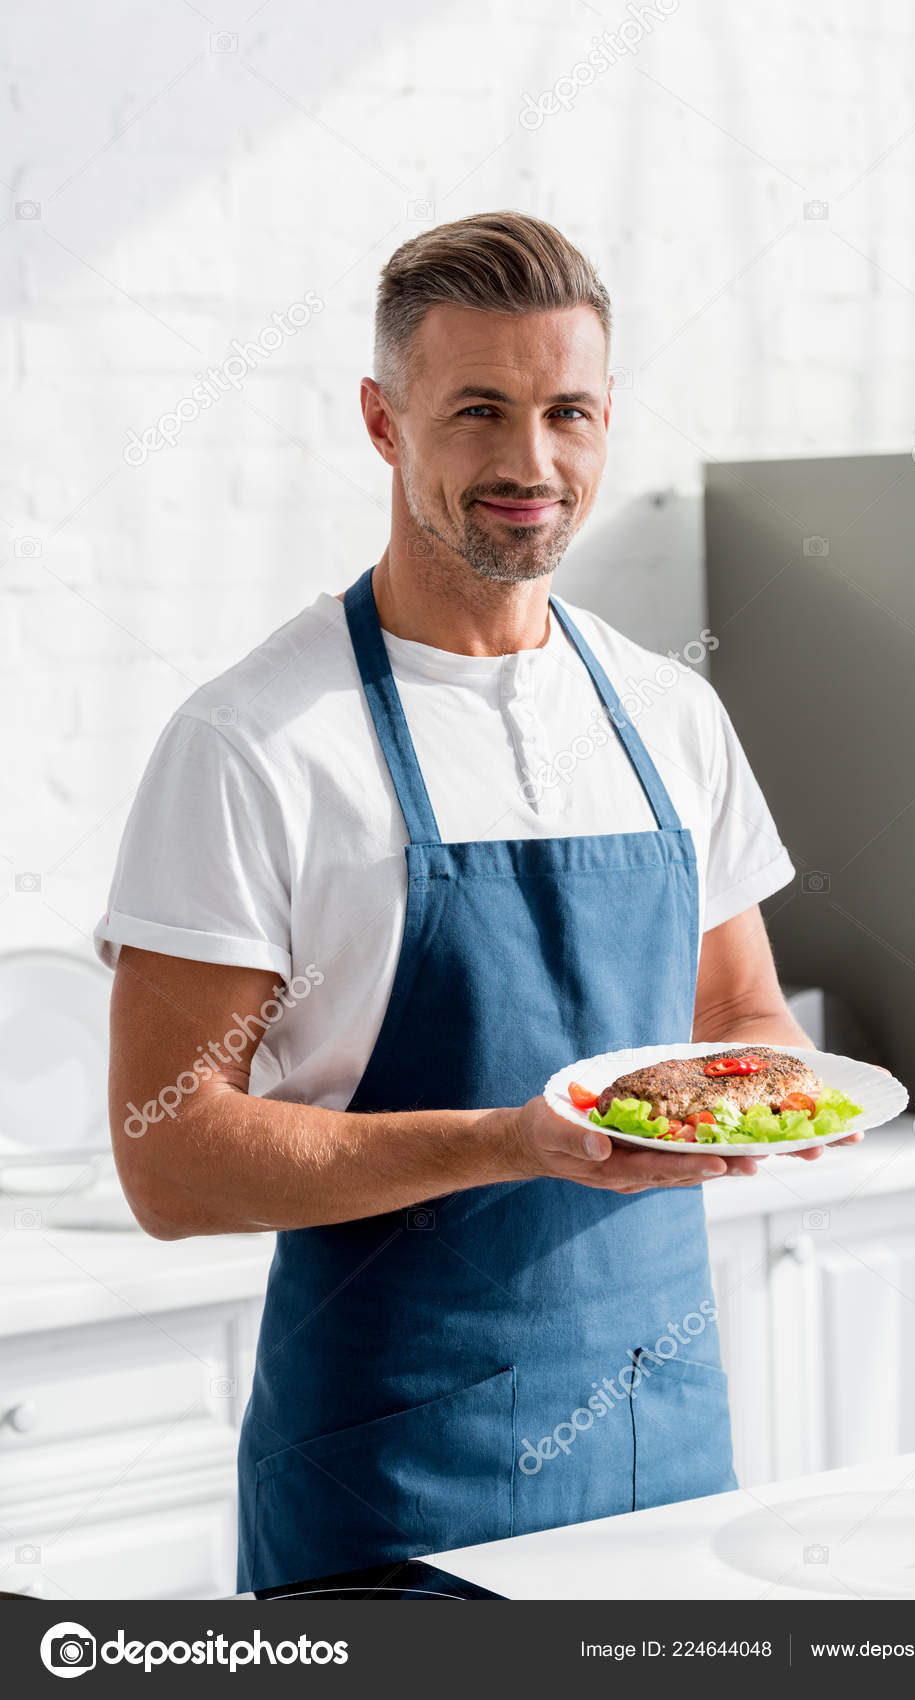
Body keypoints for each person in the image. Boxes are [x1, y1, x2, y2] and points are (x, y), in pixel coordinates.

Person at [96, 211, 849, 1596]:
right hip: (393, 1494)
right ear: (384, 422)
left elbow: (743, 1014)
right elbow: (171, 1157)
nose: (530, 463)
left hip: (665, 1462)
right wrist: (516, 1141)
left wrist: (768, 1102)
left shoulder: (669, 714)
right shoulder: (257, 742)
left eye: (568, 411)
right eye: (479, 411)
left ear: (610, 418)